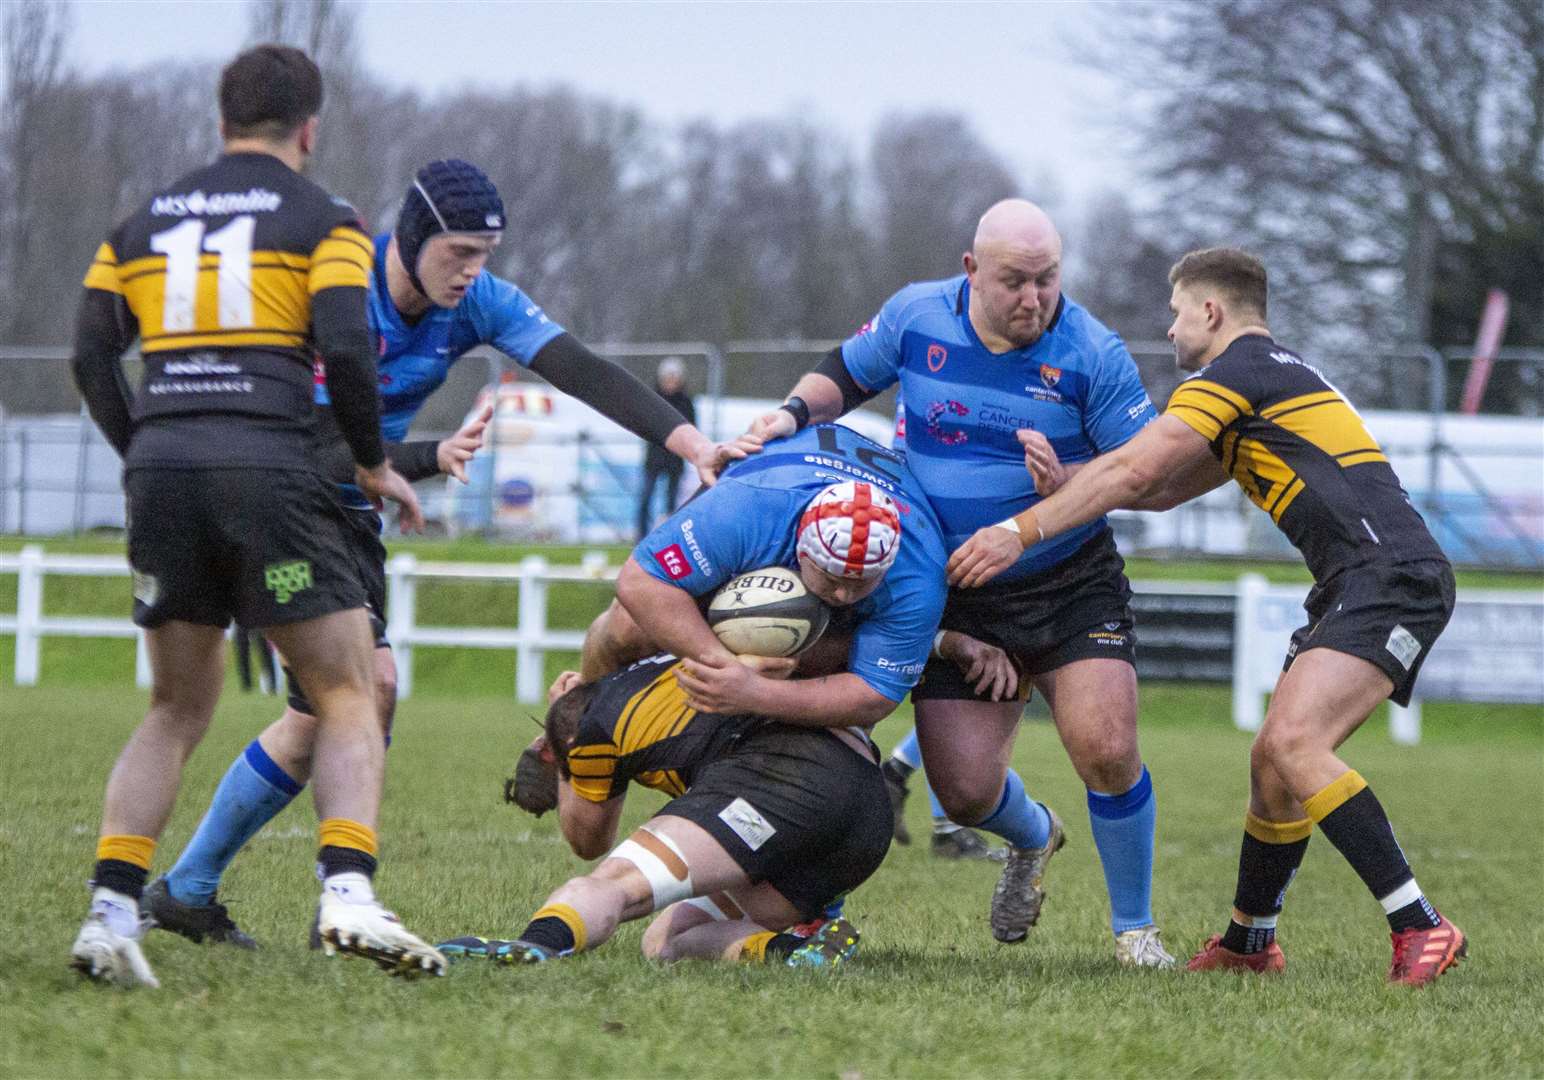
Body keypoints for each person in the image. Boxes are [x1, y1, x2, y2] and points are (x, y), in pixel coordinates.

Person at [143, 159, 752, 949]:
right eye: (459, 252)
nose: (473, 271)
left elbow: (577, 368)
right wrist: (426, 458)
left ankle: (191, 887)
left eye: (485, 254)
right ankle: (344, 893)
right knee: (372, 685)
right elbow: (317, 445)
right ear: (413, 237)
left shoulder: (476, 303)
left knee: (317, 712)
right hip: (285, 497)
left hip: (352, 514)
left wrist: (690, 440)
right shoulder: (337, 287)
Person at [951, 247, 1466, 987]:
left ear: (1212, 312)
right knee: (1272, 764)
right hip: (1366, 579)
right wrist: (1068, 480)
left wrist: (1018, 530)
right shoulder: (1269, 380)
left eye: (1176, 311)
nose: (1169, 328)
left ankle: (1420, 924)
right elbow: (1158, 490)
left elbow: (1136, 466)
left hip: (1389, 579)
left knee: (1295, 742)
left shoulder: (1231, 376)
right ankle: (1249, 943)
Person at [68, 44, 442, 986]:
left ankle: (112, 915)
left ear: (221, 118)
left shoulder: (139, 224)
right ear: (308, 128)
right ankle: (349, 893)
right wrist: (369, 462)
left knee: (174, 707)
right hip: (273, 469)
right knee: (347, 687)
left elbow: (88, 356)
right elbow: (350, 356)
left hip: (163, 468)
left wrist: (150, 452)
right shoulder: (330, 221)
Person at [748, 199, 1174, 967]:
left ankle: (1136, 933)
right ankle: (1035, 835)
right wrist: (786, 417)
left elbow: (1144, 472)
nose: (1033, 299)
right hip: (956, 588)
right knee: (966, 793)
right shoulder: (917, 315)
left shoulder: (1093, 352)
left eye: (1047, 280)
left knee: (1106, 748)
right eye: (1015, 281)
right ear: (972, 270)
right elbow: (845, 374)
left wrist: (1070, 479)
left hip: (1067, 582)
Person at [439, 661, 888, 968]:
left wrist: (566, 762)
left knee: (613, 885)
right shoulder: (662, 666)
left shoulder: (592, 728)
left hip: (788, 776)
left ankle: (534, 945)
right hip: (867, 816)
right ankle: (790, 953)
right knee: (667, 942)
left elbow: (587, 841)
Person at [635, 356, 697, 539]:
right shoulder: (652, 399)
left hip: (674, 461)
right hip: (654, 459)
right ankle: (640, 538)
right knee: (645, 499)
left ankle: (667, 540)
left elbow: (692, 430)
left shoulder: (686, 403)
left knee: (671, 504)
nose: (670, 382)